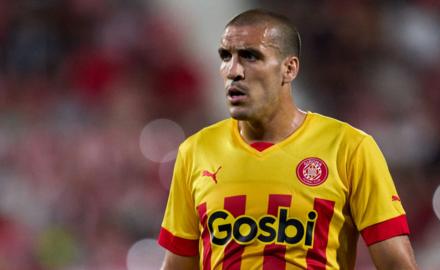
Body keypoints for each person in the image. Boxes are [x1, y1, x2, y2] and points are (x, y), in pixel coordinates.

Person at [158, 9, 418, 270]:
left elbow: (397, 263)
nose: (233, 71)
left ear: (289, 68)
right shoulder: (195, 151)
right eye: (226, 56)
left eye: (250, 56)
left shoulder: (350, 148)